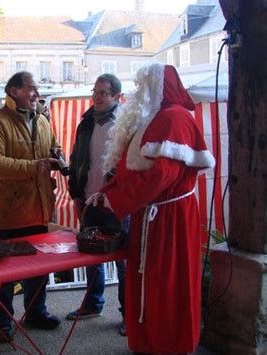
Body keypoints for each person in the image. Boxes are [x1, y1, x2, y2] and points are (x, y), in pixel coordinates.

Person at [88, 63, 215, 353]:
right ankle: (148, 340)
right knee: (149, 280)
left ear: (160, 87)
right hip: (151, 216)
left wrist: (117, 201)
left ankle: (168, 342)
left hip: (170, 218)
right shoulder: (152, 118)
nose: (138, 92)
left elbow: (162, 175)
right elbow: (130, 170)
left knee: (167, 283)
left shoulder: (175, 118)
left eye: (143, 85)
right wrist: (107, 192)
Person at [0, 71, 61, 342]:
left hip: (38, 208)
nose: (36, 93)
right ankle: (2, 322)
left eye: (37, 89)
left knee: (37, 269)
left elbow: (51, 148)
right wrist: (34, 168)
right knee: (4, 274)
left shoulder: (43, 120)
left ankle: (36, 312)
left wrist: (57, 157)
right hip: (7, 213)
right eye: (30, 88)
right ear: (13, 91)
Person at [66, 73, 128, 336]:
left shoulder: (126, 123)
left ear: (117, 96)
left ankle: (128, 314)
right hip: (89, 199)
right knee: (91, 256)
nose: (97, 97)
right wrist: (76, 193)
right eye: (95, 91)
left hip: (117, 203)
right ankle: (93, 304)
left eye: (103, 93)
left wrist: (120, 196)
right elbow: (76, 157)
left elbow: (130, 165)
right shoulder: (85, 122)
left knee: (123, 261)